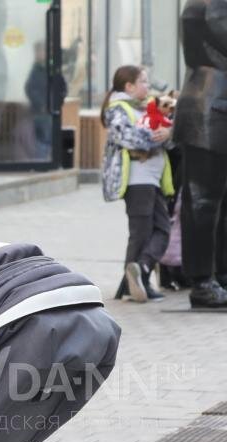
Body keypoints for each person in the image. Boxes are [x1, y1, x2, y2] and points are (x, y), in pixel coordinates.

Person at [100, 65, 173, 302]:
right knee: (141, 233)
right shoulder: (117, 109)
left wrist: (168, 133)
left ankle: (139, 272)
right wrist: (158, 137)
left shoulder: (147, 107)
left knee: (162, 229)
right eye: (143, 82)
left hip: (154, 179)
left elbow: (169, 128)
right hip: (137, 181)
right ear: (129, 86)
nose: (147, 86)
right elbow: (127, 137)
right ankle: (132, 284)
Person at [173, 0, 227, 308]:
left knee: (218, 204)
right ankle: (203, 281)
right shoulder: (211, 4)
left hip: (216, 107)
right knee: (203, 202)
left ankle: (218, 275)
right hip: (210, 108)